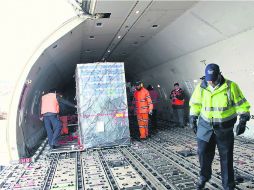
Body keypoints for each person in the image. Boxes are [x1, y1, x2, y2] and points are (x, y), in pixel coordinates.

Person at [189, 63, 250, 190]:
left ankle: (228, 186)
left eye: (213, 79)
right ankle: (204, 176)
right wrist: (193, 118)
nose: (211, 82)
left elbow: (242, 105)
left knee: (226, 158)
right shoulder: (201, 87)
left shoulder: (231, 86)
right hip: (205, 126)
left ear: (219, 75)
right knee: (202, 152)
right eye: (208, 79)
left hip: (224, 128)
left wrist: (243, 120)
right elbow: (195, 104)